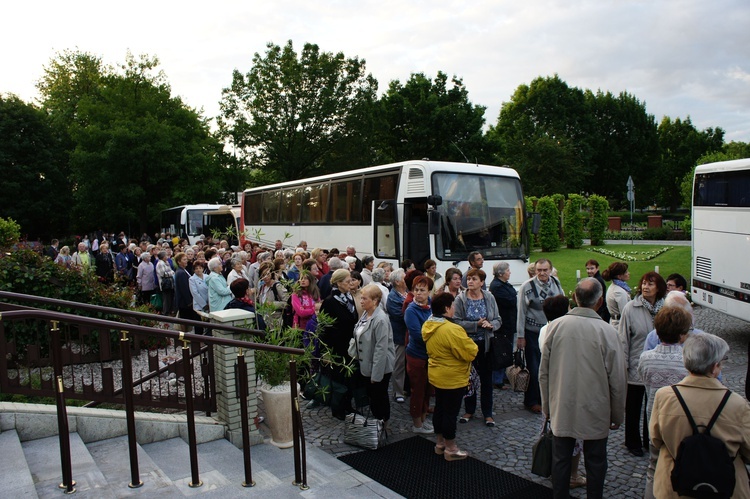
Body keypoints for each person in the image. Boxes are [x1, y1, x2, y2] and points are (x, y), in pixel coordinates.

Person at [649, 334, 750, 499]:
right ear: (715, 367)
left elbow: (655, 439)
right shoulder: (737, 404)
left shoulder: (664, 396)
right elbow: (748, 452)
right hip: (723, 488)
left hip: (674, 485)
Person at [637, 305, 691, 499]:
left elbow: (644, 380)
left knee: (654, 467)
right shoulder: (688, 361)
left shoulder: (646, 358)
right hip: (682, 422)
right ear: (683, 335)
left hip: (655, 419)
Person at [422, 292, 478, 461]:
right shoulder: (452, 329)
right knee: (450, 413)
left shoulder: (429, 324)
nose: (454, 308)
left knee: (440, 408)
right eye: (453, 305)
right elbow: (470, 352)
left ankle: (440, 443)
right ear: (447, 308)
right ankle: (451, 448)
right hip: (453, 377)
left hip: (436, 373)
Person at [618, 271, 667, 456]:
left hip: (658, 365)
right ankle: (632, 442)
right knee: (633, 406)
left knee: (653, 406)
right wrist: (624, 365)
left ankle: (649, 440)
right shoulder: (631, 308)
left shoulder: (665, 308)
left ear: (658, 288)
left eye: (650, 284)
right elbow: (623, 339)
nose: (645, 287)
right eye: (644, 283)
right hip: (636, 365)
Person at [455, 268, 501, 426]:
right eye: (468, 279)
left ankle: (488, 413)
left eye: (474, 279)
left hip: (486, 344)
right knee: (469, 379)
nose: (470, 282)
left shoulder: (489, 297)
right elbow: (456, 322)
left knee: (487, 380)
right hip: (468, 346)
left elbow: (498, 319)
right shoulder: (461, 299)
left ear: (482, 282)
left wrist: (490, 324)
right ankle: (469, 410)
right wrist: (476, 325)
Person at [516, 258, 564, 413]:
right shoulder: (527, 286)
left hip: (553, 332)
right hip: (532, 333)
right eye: (539, 270)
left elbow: (563, 303)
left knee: (552, 367)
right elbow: (521, 312)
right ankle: (531, 400)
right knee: (535, 368)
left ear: (550, 270)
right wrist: (520, 336)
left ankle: (548, 398)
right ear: (534, 270)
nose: (542, 273)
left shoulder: (556, 283)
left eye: (545, 270)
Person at [349, 284, 396, 424]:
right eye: (361, 298)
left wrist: (376, 375)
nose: (361, 301)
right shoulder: (366, 313)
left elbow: (381, 349)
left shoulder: (380, 319)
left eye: (364, 298)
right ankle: (377, 423)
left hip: (378, 367)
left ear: (375, 301)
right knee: (372, 397)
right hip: (366, 364)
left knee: (379, 397)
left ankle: (382, 423)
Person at [319, 268, 358, 420]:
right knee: (339, 380)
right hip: (336, 347)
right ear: (339, 283)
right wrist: (325, 351)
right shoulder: (330, 302)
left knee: (348, 379)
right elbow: (323, 328)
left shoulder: (348, 297)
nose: (351, 284)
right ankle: (339, 409)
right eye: (348, 281)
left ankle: (348, 406)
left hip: (349, 346)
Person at [404, 275, 435, 434]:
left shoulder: (430, 305)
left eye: (422, 290)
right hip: (417, 355)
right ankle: (417, 424)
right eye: (416, 290)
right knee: (418, 390)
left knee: (428, 390)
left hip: (430, 355)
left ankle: (423, 418)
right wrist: (437, 339)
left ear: (429, 291)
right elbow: (417, 334)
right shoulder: (411, 310)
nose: (418, 293)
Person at [489, 262, 516, 388]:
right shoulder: (497, 287)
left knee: (506, 350)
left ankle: (504, 376)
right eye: (508, 270)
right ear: (501, 273)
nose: (509, 272)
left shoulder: (503, 285)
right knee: (501, 351)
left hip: (508, 323)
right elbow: (510, 301)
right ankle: (498, 379)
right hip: (502, 324)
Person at [386, 268, 408, 404]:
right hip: (400, 335)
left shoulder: (407, 293)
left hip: (408, 335)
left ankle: (406, 388)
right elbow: (400, 316)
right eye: (404, 278)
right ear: (398, 282)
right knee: (398, 365)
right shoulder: (393, 297)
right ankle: (398, 391)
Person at [174, 252, 200, 328]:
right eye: (184, 259)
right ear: (179, 262)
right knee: (186, 324)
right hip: (185, 303)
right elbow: (184, 288)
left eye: (186, 259)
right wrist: (189, 302)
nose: (186, 261)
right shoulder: (181, 272)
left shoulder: (183, 270)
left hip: (186, 302)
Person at [602, 262, 631, 330]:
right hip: (619, 326)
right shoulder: (619, 292)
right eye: (626, 272)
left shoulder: (615, 287)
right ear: (619, 276)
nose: (628, 273)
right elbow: (625, 313)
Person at [156, 250, 176, 315]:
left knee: (170, 298)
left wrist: (171, 272)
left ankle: (170, 311)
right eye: (166, 255)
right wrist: (171, 273)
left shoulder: (166, 262)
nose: (167, 257)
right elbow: (163, 274)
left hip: (170, 283)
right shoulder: (160, 263)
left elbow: (171, 270)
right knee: (166, 299)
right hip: (165, 284)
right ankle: (165, 312)